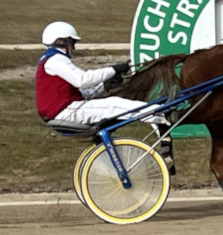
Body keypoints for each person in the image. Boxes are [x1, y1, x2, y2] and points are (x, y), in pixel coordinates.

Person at [35, 21, 175, 171]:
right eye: (72, 43)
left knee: (111, 104)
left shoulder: (50, 60)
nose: (74, 48)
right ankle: (162, 113)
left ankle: (158, 113)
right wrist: (113, 70)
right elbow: (83, 80)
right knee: (113, 104)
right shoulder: (55, 60)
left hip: (64, 110)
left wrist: (105, 85)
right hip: (64, 111)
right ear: (62, 41)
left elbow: (85, 93)